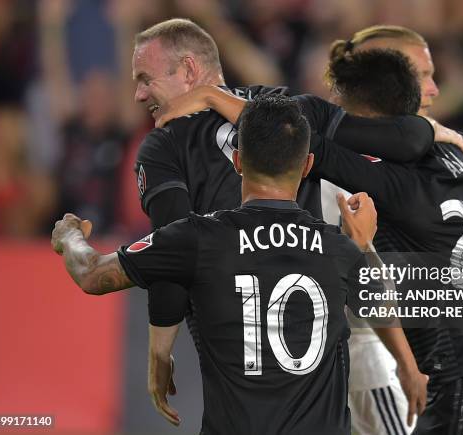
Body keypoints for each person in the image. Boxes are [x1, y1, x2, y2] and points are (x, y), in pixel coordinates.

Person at [161, 34, 463, 435]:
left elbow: (297, 142)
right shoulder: (452, 152)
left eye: (345, 115)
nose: (341, 122)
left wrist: (213, 98)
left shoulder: (399, 179)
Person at [51, 94, 420, 434]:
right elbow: (380, 302)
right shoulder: (339, 249)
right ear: (307, 165)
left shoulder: (197, 238)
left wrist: (69, 235)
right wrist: (363, 242)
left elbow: (92, 274)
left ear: (238, 161)